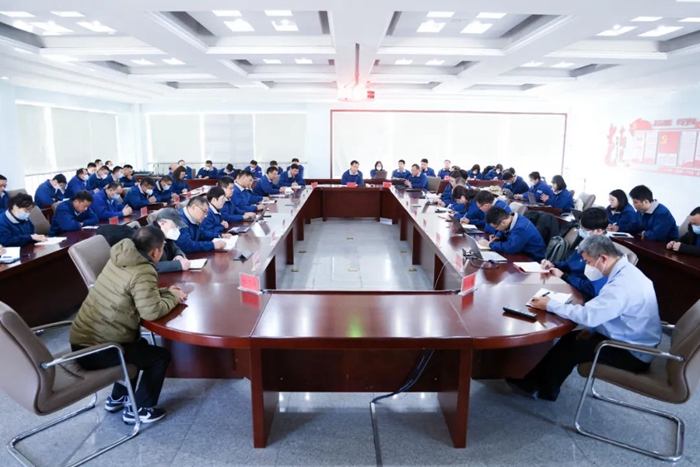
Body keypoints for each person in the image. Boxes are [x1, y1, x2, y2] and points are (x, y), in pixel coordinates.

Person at [508, 235, 661, 402]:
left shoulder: (622, 285)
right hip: (629, 337)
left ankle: (541, 388)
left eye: (588, 262)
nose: (587, 267)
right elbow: (608, 312)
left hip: (632, 352)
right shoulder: (626, 272)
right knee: (572, 338)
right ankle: (538, 384)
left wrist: (550, 305)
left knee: (573, 347)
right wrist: (592, 330)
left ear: (603, 258)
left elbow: (588, 316)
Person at [70, 226, 186, 424]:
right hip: (99, 350)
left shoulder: (120, 256)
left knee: (138, 347)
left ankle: (119, 397)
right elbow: (151, 311)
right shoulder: (143, 269)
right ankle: (139, 409)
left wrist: (167, 292)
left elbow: (133, 292)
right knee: (159, 357)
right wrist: (174, 297)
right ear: (155, 251)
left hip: (82, 340)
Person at [541, 207, 609, 301]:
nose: (581, 231)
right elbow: (571, 263)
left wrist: (565, 276)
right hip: (570, 285)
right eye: (581, 227)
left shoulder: (604, 254)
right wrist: (554, 264)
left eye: (585, 229)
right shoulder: (587, 242)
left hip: (583, 297)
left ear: (599, 231)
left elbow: (592, 289)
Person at [480, 207, 546, 261]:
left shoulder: (521, 228)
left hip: (532, 259)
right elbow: (504, 230)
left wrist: (490, 244)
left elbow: (511, 247)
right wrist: (497, 236)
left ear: (503, 223)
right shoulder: (511, 219)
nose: (496, 230)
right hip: (520, 253)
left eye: (495, 227)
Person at [153, 208, 190, 273]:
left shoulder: (164, 234)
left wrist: (179, 255)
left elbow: (175, 248)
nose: (176, 230)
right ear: (162, 223)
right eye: (174, 227)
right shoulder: (148, 236)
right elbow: (150, 266)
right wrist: (178, 265)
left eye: (178, 227)